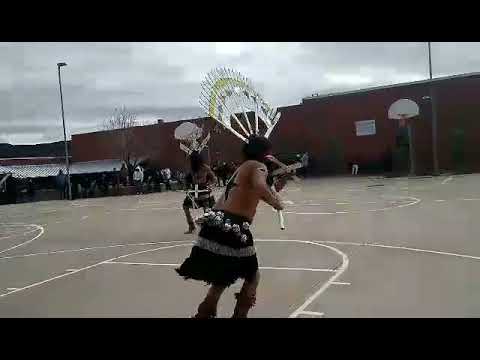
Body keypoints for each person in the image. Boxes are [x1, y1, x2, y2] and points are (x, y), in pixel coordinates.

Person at [176, 135, 286, 318]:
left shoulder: (243, 167)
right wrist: (276, 203)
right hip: (233, 225)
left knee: (224, 274)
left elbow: (259, 189)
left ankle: (205, 312)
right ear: (264, 153)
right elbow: (260, 186)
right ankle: (239, 315)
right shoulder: (258, 166)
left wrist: (279, 186)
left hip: (215, 223)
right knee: (253, 275)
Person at [182, 151, 216, 234]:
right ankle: (191, 226)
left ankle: (209, 228)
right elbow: (186, 180)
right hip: (194, 192)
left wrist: (210, 186)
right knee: (185, 206)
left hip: (204, 192)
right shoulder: (191, 170)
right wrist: (186, 187)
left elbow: (214, 179)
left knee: (207, 210)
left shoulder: (205, 168)